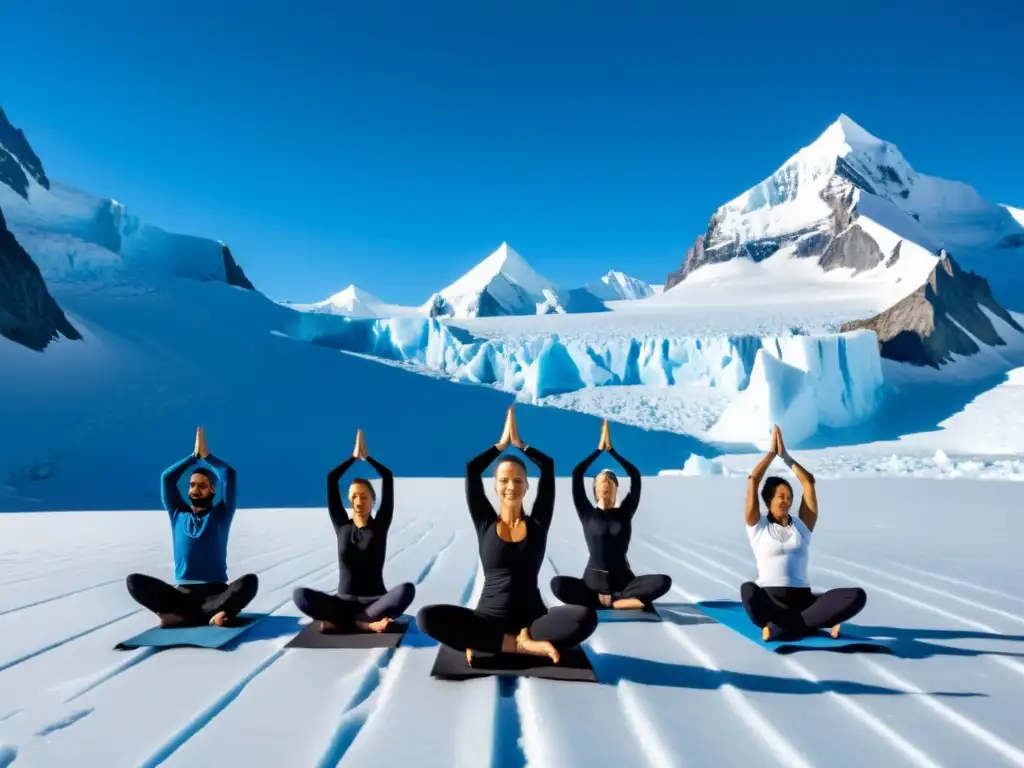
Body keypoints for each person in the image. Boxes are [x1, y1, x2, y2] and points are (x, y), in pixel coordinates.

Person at [416, 406, 597, 665]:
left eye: (517, 480)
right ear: (495, 485)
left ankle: (499, 643)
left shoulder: (538, 522)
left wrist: (521, 445)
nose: (510, 486)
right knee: (427, 617)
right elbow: (472, 469)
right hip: (487, 620)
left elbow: (548, 466)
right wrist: (501, 445)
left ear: (526, 485)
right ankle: (518, 646)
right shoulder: (485, 522)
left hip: (534, 623)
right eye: (504, 480)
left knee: (585, 617)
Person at [741, 425, 866, 641]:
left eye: (789, 496)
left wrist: (786, 458)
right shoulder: (757, 527)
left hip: (803, 601)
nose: (786, 501)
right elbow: (753, 480)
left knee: (855, 596)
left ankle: (784, 626)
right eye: (780, 496)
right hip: (771, 600)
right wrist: (771, 455)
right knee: (748, 591)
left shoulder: (802, 526)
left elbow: (808, 482)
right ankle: (808, 623)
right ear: (768, 500)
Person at [126, 427, 258, 627]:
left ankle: (211, 613)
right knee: (134, 581)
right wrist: (193, 457)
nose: (195, 490)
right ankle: (196, 615)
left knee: (249, 582)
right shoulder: (177, 513)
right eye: (192, 485)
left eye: (202, 486)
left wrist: (207, 456)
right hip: (182, 597)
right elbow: (167, 478)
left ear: (213, 489)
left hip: (216, 594)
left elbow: (228, 474)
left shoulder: (221, 514)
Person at [292, 429, 415, 633]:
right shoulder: (342, 524)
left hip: (376, 602)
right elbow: (332, 479)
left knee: (406, 591)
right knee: (300, 595)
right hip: (343, 602)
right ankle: (365, 625)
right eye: (355, 496)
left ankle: (342, 623)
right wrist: (352, 458)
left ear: (372, 500)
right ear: (349, 499)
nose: (359, 501)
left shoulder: (380, 524)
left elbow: (387, 476)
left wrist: (367, 458)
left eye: (364, 496)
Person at [550, 419, 671, 610]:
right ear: (595, 491)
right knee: (557, 585)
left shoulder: (625, 512)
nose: (606, 489)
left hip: (623, 584)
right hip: (591, 584)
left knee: (663, 581)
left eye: (610, 486)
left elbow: (635, 477)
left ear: (616, 491)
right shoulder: (587, 513)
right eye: (601, 485)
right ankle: (614, 602)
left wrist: (612, 452)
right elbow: (577, 473)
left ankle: (615, 602)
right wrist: (599, 450)